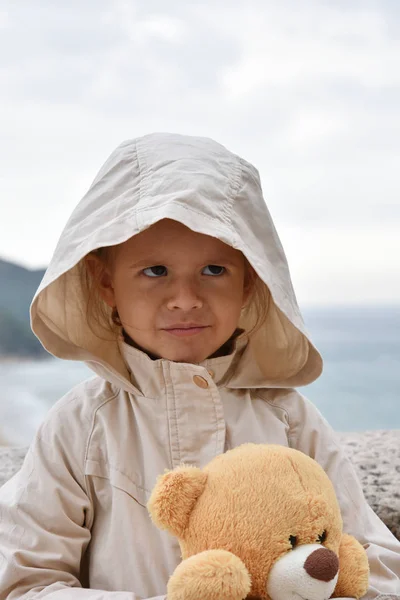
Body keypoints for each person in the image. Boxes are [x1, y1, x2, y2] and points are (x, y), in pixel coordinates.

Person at [0, 133, 398, 600]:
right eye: (155, 271)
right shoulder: (81, 425)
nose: (185, 300)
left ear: (250, 281)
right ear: (106, 284)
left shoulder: (290, 419)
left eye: (214, 270)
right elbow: (25, 582)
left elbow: (374, 567)